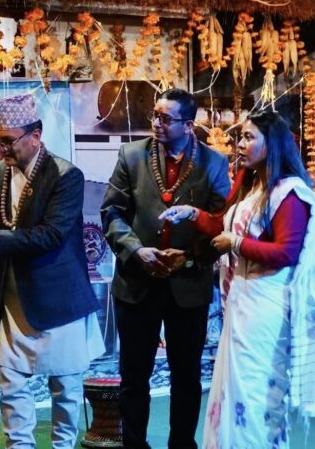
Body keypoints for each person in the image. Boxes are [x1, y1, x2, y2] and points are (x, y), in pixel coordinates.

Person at [159, 110, 315, 448]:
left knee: (255, 393)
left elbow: (286, 252)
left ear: (273, 145)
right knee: (233, 390)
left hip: (266, 306)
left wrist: (236, 244)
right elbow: (223, 228)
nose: (240, 144)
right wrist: (193, 215)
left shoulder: (289, 193)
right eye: (240, 137)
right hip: (242, 302)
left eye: (249, 137)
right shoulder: (253, 186)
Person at [0, 93, 105, 449]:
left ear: (35, 135)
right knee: (11, 385)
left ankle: (63, 446)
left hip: (60, 298)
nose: (2, 149)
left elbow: (51, 235)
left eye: (8, 141)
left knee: (65, 389)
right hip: (14, 298)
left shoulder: (66, 176)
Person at [100, 88, 231, 449]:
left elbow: (221, 222)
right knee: (134, 377)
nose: (157, 123)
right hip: (137, 281)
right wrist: (136, 250)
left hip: (187, 284)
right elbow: (111, 213)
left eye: (166, 118)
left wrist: (188, 258)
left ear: (188, 125)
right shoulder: (131, 155)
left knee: (186, 378)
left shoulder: (214, 163)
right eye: (155, 116)